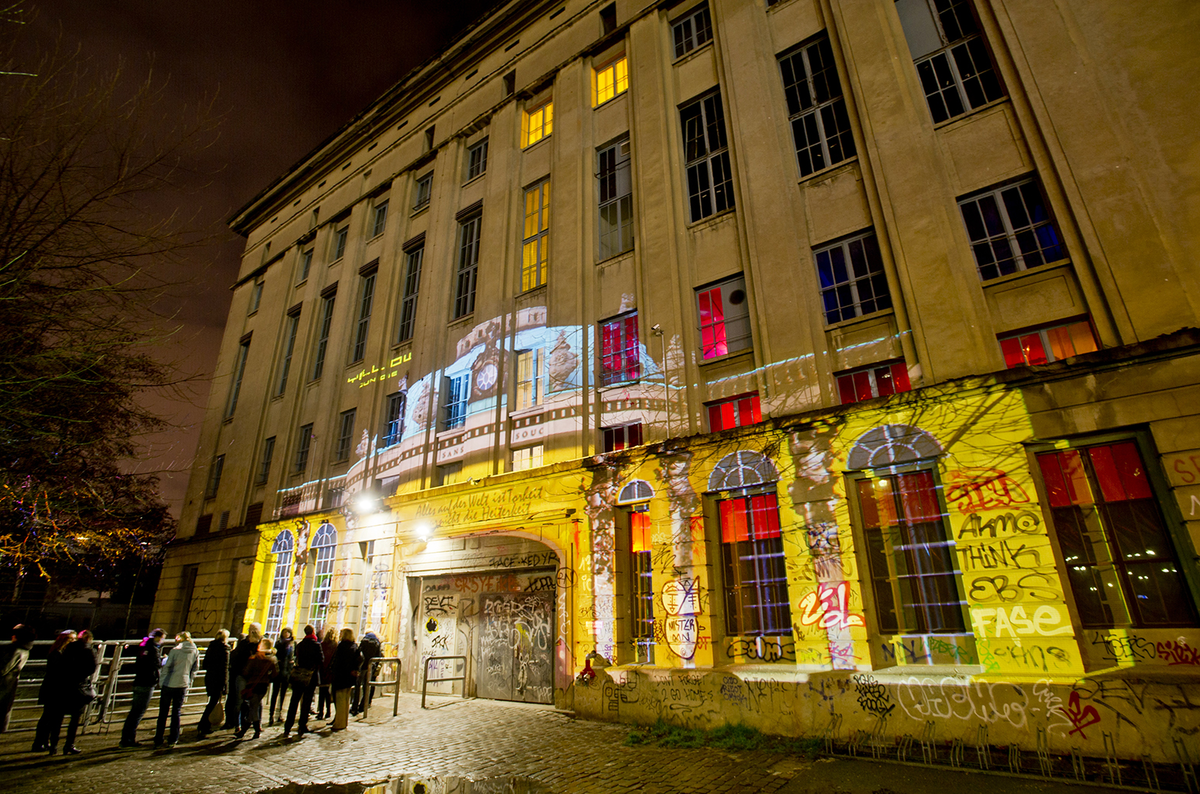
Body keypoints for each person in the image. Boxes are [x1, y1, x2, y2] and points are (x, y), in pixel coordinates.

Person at [47, 629, 97, 755]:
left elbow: (60, 664)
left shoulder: (68, 648)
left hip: (63, 686)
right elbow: (92, 668)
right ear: (89, 639)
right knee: (74, 720)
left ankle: (53, 746)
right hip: (78, 687)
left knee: (57, 718)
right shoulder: (89, 650)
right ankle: (69, 745)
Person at [119, 628, 165, 748]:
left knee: (134, 711)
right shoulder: (153, 649)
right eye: (162, 638)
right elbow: (156, 664)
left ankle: (127, 737)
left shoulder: (143, 647)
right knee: (138, 712)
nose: (163, 641)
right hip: (147, 682)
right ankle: (128, 739)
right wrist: (162, 660)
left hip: (139, 680)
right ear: (157, 637)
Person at [153, 631, 199, 748]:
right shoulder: (194, 651)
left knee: (163, 712)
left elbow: (167, 667)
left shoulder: (175, 651)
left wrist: (162, 682)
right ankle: (173, 738)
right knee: (176, 712)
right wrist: (189, 681)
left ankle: (159, 738)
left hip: (169, 683)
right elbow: (195, 668)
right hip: (182, 684)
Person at [31, 630, 74, 752]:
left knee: (50, 717)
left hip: (55, 688)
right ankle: (39, 742)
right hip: (53, 688)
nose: (73, 641)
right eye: (71, 639)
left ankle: (43, 741)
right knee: (48, 717)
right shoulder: (57, 653)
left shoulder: (61, 652)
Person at [283, 624, 322, 738]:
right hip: (310, 676)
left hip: (298, 675)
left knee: (294, 701)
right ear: (313, 632)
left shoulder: (300, 645)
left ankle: (288, 726)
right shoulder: (316, 645)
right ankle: (302, 725)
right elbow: (321, 660)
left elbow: (297, 657)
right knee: (306, 702)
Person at [235, 637, 277, 739]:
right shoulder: (271, 660)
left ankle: (255, 730)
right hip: (263, 686)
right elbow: (275, 674)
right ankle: (247, 730)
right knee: (254, 706)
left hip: (253, 685)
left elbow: (246, 672)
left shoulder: (254, 659)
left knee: (253, 707)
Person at [0, 624, 36, 732]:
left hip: (3, 683)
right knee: (5, 708)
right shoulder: (25, 650)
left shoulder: (14, 650)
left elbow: (3, 668)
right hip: (10, 683)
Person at [227, 623, 261, 733]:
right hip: (242, 675)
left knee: (256, 702)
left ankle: (255, 723)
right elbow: (237, 657)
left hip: (255, 677)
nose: (253, 631)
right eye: (251, 629)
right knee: (239, 701)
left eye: (255, 630)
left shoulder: (261, 643)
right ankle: (237, 725)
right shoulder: (243, 643)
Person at [197, 629, 229, 737]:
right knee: (213, 703)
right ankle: (204, 724)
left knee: (212, 701)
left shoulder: (211, 647)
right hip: (218, 679)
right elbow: (224, 668)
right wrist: (225, 684)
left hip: (210, 677)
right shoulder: (224, 649)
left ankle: (204, 724)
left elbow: (205, 664)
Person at [329, 628, 362, 732]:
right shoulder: (354, 646)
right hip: (349, 677)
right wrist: (355, 670)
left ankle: (339, 723)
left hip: (341, 676)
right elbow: (360, 659)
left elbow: (338, 661)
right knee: (345, 700)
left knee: (340, 700)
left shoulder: (342, 646)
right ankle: (343, 722)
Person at [268, 626, 294, 725]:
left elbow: (292, 657)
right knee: (275, 693)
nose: (286, 634)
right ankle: (271, 714)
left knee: (283, 694)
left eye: (288, 632)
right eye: (285, 632)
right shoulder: (279, 644)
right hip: (279, 671)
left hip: (286, 671)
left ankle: (279, 714)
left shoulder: (292, 644)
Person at [352, 630, 381, 716]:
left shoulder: (364, 641)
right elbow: (378, 655)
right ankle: (363, 706)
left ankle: (354, 706)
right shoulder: (377, 642)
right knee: (366, 687)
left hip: (362, 666)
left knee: (357, 686)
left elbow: (358, 653)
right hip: (370, 667)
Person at [316, 626, 336, 720]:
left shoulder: (323, 644)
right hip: (330, 670)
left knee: (322, 691)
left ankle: (321, 712)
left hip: (322, 669)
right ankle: (328, 711)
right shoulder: (335, 645)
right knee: (328, 691)